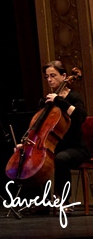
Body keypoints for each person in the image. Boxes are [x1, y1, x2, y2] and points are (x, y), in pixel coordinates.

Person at [41, 60, 87, 197]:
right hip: (56, 146)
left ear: (64, 76)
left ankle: (63, 201)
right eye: (47, 77)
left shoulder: (73, 97)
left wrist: (59, 101)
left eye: (53, 75)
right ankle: (40, 202)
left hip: (76, 148)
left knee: (61, 158)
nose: (49, 79)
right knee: (39, 161)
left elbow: (80, 116)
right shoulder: (50, 100)